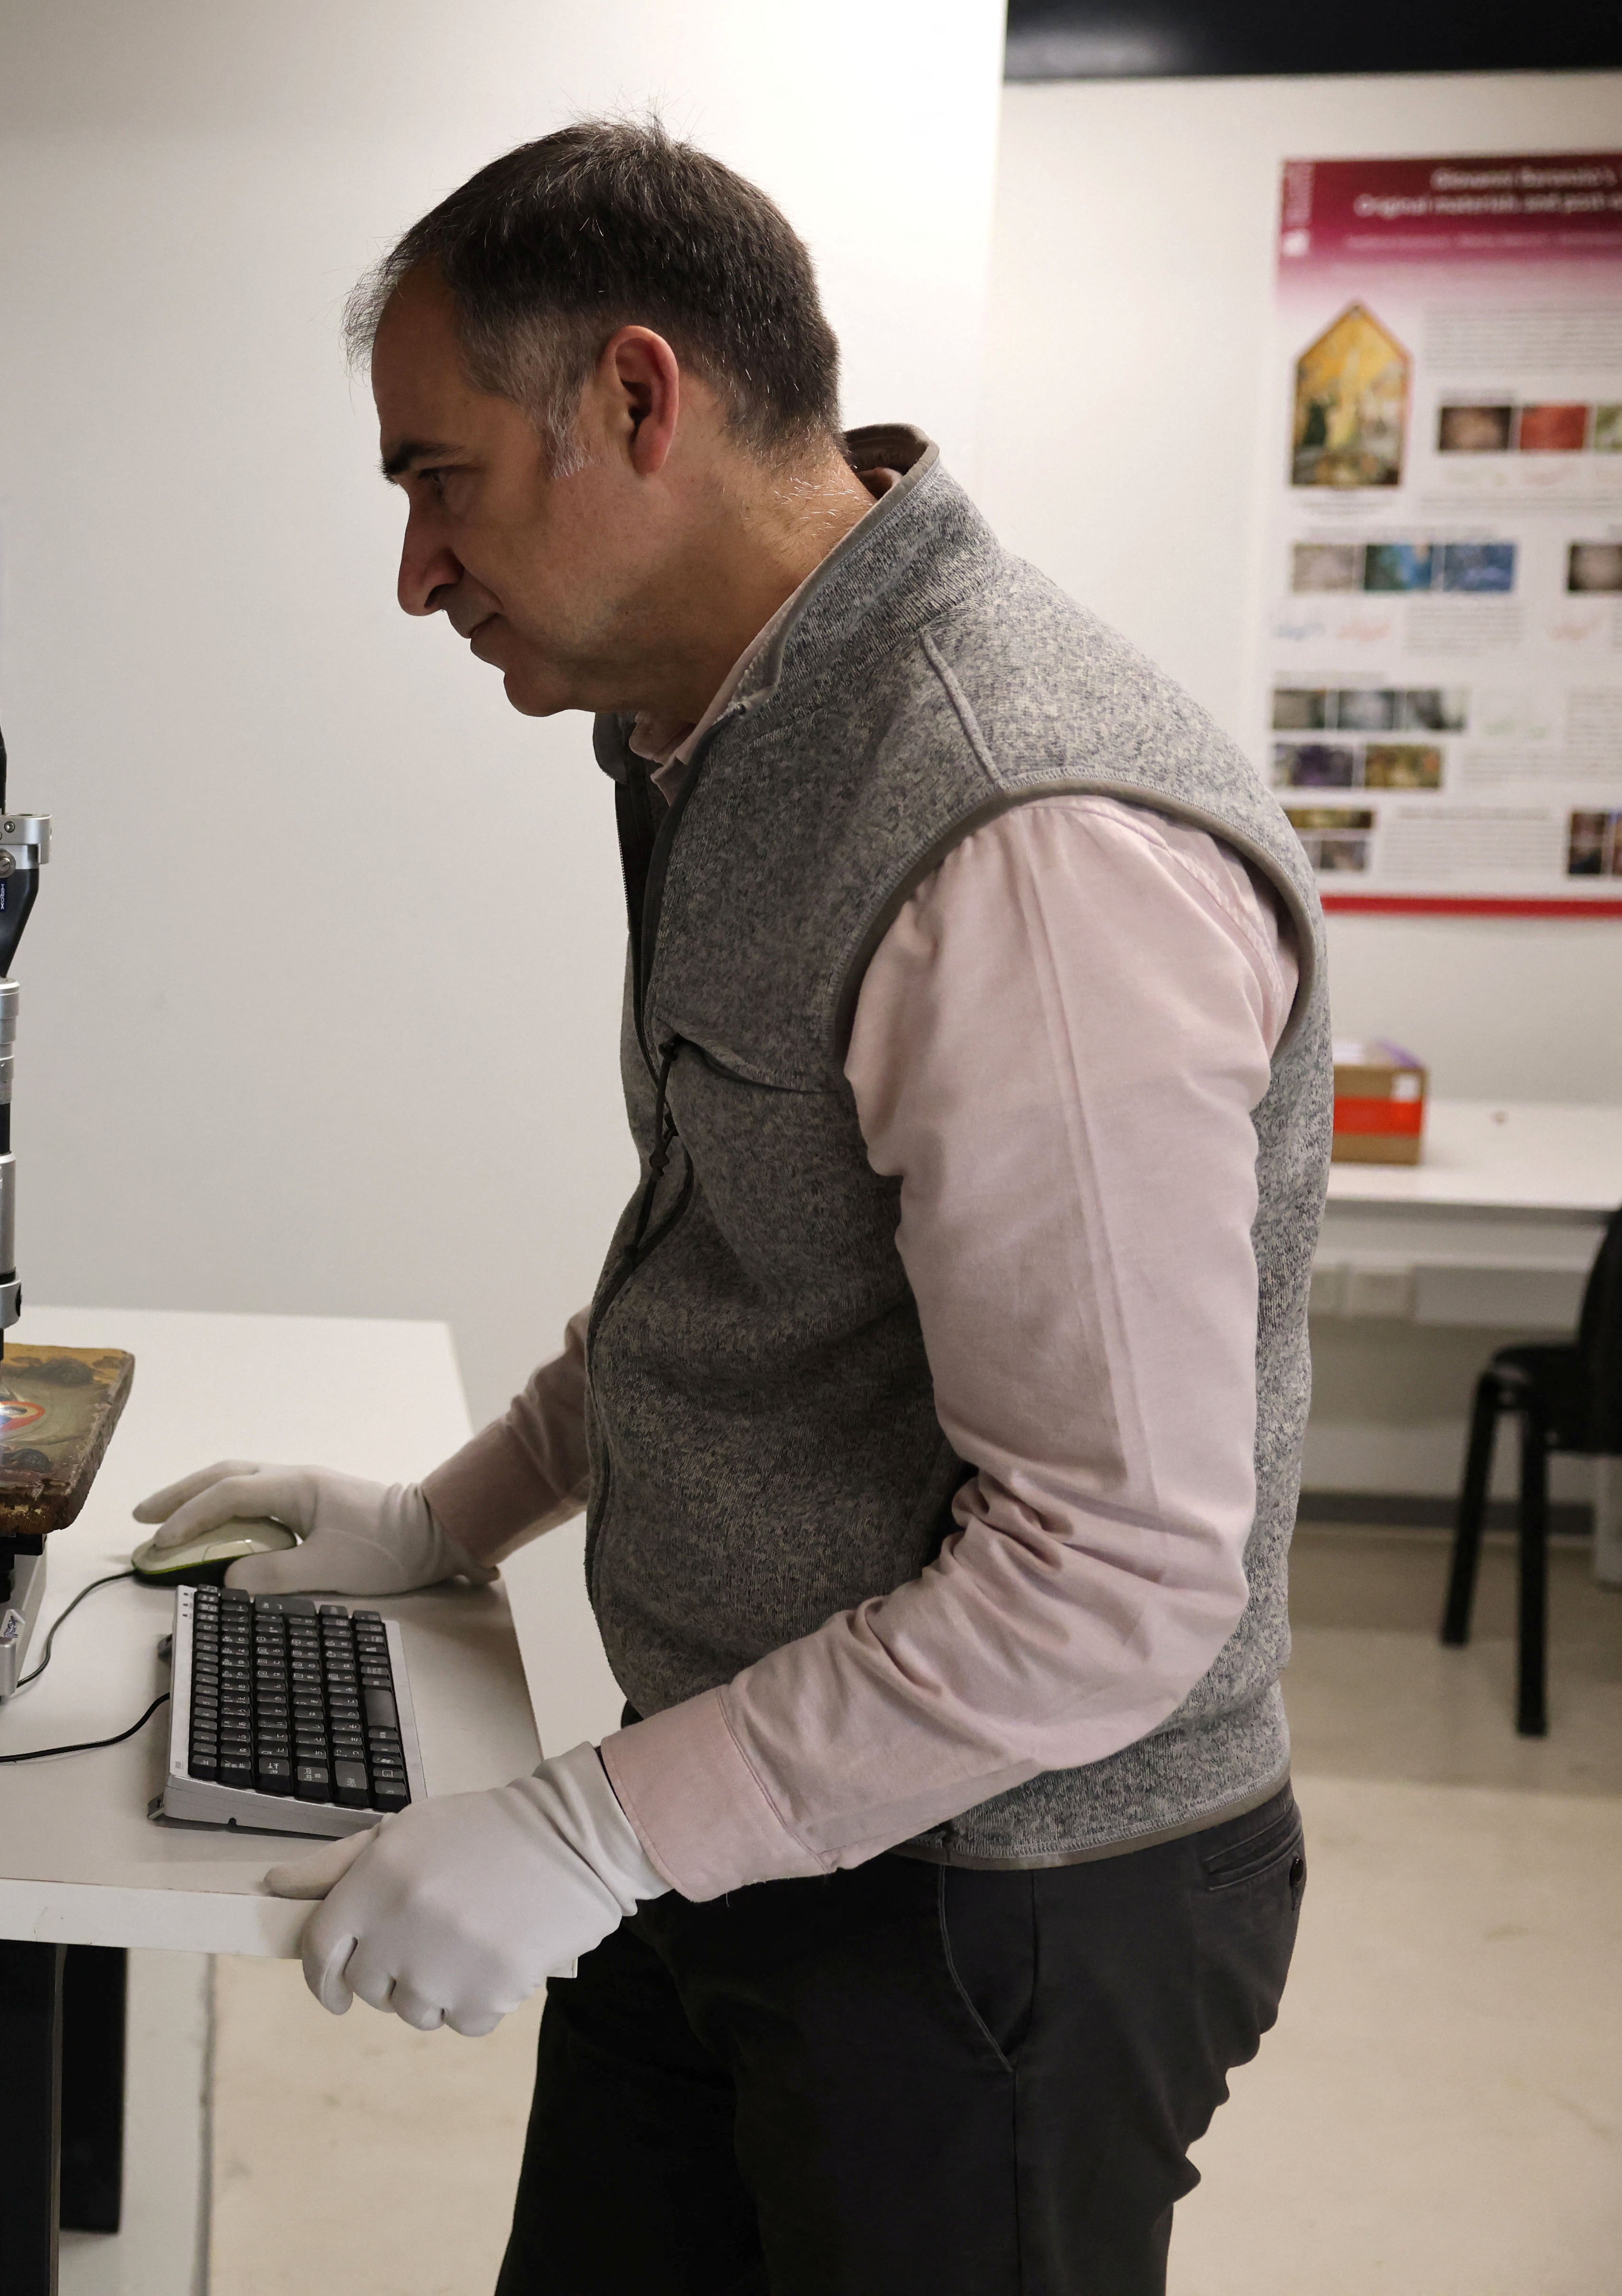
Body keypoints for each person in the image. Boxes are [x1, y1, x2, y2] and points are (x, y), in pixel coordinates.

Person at [135, 120, 1321, 2293]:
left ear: (634, 400)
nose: (412, 571)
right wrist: (449, 1514)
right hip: (766, 1823)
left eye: (435, 476)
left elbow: (1112, 1580)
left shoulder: (1015, 835)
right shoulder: (724, 731)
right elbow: (753, 1251)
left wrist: (596, 1824)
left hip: (993, 1908)